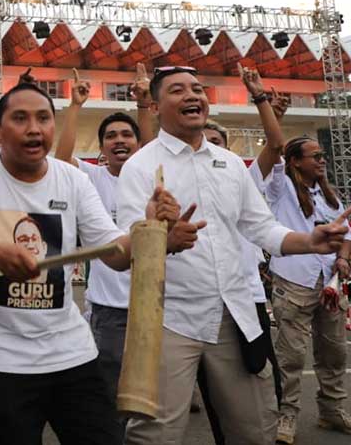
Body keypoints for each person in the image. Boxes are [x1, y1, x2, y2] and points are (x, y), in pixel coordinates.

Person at [0, 73, 198, 445]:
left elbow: (115, 254)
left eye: (43, 118)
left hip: (71, 353)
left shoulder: (72, 180)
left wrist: (152, 232)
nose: (34, 128)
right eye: (20, 119)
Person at [117, 65, 350, 445]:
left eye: (197, 88)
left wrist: (310, 240)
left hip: (235, 315)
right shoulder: (140, 167)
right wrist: (162, 236)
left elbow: (263, 229)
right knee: (155, 434)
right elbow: (129, 243)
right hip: (169, 319)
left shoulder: (230, 166)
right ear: (156, 107)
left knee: (255, 428)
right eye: (177, 90)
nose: (192, 95)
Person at [234, 67, 351, 442]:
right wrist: (266, 105)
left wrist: (344, 258)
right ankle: (287, 417)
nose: (322, 161)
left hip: (329, 286)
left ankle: (332, 411)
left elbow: (347, 232)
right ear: (296, 161)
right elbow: (272, 148)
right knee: (291, 358)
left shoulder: (330, 196)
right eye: (314, 156)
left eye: (322, 156)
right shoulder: (281, 188)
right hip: (294, 284)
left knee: (333, 355)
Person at [52, 65, 151, 439]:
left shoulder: (149, 174)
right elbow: (61, 162)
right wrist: (76, 104)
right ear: (102, 145)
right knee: (110, 396)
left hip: (156, 305)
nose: (119, 140)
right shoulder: (92, 178)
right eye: (111, 136)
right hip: (109, 310)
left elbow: (153, 141)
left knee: (152, 398)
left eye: (127, 134)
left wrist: (144, 104)